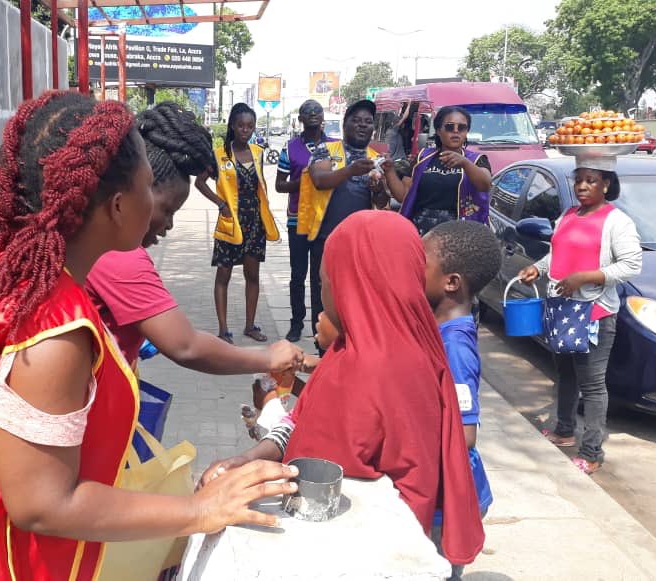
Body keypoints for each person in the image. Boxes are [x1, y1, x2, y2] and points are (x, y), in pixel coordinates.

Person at [0, 92, 299, 579]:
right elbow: (44, 504)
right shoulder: (56, 330)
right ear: (119, 206)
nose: (161, 211)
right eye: (149, 187)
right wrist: (203, 509)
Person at [202, 211, 486, 567]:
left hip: (363, 553)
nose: (321, 296)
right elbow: (301, 423)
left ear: (354, 284)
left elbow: (314, 473)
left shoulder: (373, 368)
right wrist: (249, 459)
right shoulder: (375, 349)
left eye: (325, 281)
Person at [86, 102, 303, 374]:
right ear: (126, 198)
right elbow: (186, 346)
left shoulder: (92, 242)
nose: (169, 226)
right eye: (167, 210)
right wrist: (269, 358)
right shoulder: (120, 259)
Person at [518, 155, 642, 475]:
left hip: (594, 313)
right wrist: (538, 268)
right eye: (579, 179)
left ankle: (591, 451)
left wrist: (586, 277)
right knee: (566, 373)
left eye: (592, 180)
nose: (583, 186)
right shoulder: (569, 214)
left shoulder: (617, 221)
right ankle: (563, 429)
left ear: (607, 184)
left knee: (593, 384)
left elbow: (631, 265)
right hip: (561, 309)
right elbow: (557, 253)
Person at [422, 220, 502, 580]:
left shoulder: (454, 347)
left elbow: (465, 432)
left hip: (448, 502)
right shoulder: (436, 330)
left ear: (451, 282)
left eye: (420, 261)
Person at [298, 99, 388, 341]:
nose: (362, 126)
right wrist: (350, 170)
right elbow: (319, 180)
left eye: (368, 122)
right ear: (344, 124)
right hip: (327, 240)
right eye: (356, 121)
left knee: (358, 298)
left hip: (361, 245)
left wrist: (379, 189)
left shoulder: (377, 158)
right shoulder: (326, 150)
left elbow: (381, 204)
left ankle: (352, 346)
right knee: (324, 296)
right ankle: (323, 350)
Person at [197, 103, 280, 344]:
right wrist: (220, 203)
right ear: (232, 126)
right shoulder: (219, 153)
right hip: (230, 222)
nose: (246, 130)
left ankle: (250, 325)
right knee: (223, 274)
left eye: (250, 126)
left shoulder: (258, 152)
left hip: (254, 223)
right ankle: (223, 330)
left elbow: (260, 187)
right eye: (241, 125)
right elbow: (200, 183)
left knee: (252, 274)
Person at [275, 100, 337, 342]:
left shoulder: (336, 147)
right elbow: (280, 185)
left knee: (322, 277)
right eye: (307, 112)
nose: (312, 115)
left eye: (317, 111)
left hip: (326, 219)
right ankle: (296, 322)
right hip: (297, 220)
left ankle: (320, 324)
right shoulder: (290, 149)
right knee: (298, 274)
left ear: (323, 117)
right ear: (300, 118)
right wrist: (305, 182)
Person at [382, 105, 493, 235]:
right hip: (421, 231)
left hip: (461, 234)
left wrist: (465, 163)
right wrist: (389, 170)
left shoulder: (476, 160)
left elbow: (485, 185)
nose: (456, 131)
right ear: (439, 130)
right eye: (449, 127)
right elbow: (404, 197)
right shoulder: (422, 157)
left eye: (462, 127)